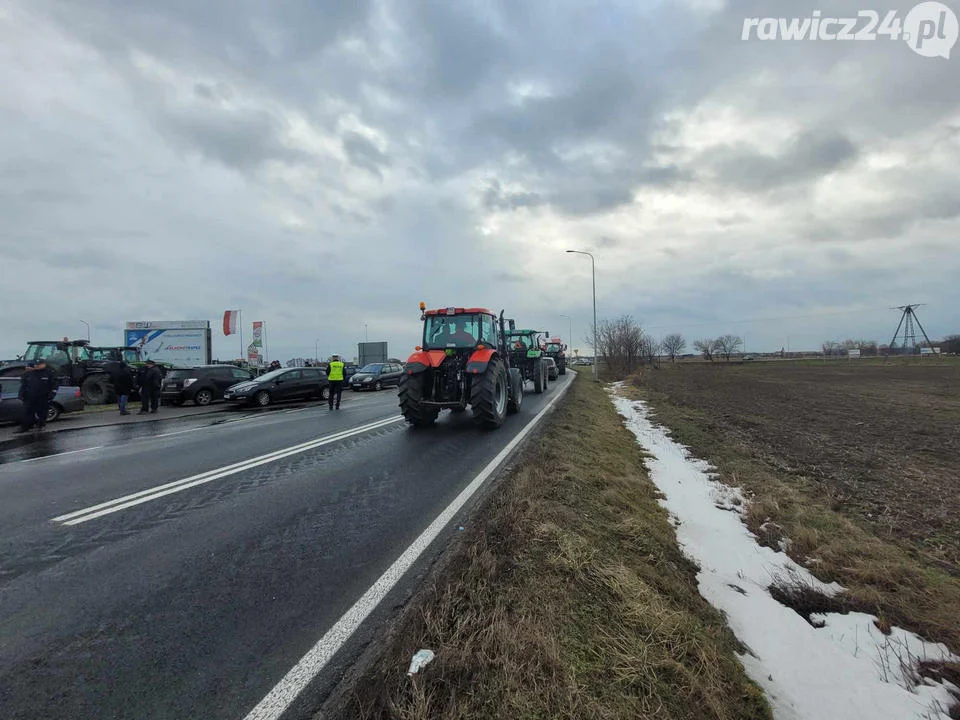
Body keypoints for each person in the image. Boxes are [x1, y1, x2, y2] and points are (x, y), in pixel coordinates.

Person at [15, 359, 58, 433]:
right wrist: (21, 395)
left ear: (43, 364)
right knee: (27, 412)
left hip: (43, 397)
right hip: (29, 397)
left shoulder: (49, 373)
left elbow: (54, 385)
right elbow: (24, 385)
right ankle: (25, 426)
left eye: (39, 364)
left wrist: (51, 395)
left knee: (42, 413)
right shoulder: (29, 373)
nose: (37, 366)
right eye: (36, 364)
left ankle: (40, 425)